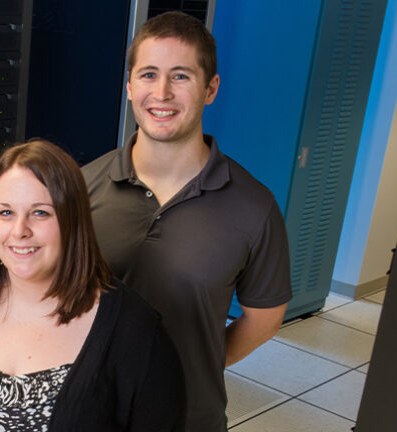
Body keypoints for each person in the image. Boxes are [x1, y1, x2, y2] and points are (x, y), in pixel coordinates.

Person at [82, 11, 292, 432]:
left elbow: (264, 319)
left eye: (180, 76)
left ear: (210, 88)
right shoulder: (82, 187)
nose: (161, 93)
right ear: (128, 86)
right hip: (86, 411)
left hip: (188, 417)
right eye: (147, 75)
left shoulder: (254, 206)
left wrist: (185, 364)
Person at [0, 140, 185, 432]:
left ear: (72, 221)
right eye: (6, 212)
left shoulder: (137, 333)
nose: (19, 231)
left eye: (40, 212)